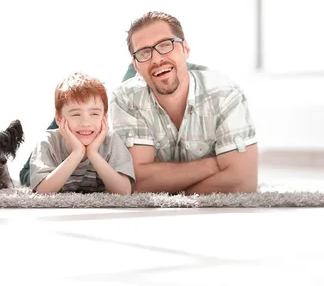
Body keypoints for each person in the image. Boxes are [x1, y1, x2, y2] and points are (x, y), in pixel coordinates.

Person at [111, 11, 258, 194]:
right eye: (144, 53)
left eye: (165, 45)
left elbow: (243, 182)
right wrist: (214, 165)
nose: (156, 59)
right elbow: (135, 181)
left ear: (185, 49)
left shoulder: (225, 94)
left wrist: (171, 189)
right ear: (136, 66)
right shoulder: (126, 99)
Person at [18, 61, 207, 187]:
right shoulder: (55, 138)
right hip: (54, 163)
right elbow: (39, 187)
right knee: (80, 114)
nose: (85, 121)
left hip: (104, 155)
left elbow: (124, 189)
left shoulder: (109, 139)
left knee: (89, 115)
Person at [29, 72, 135, 195]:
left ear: (105, 117)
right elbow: (42, 191)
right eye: (75, 114)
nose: (85, 123)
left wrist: (92, 153)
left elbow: (124, 191)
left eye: (94, 114)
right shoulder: (48, 142)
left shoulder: (111, 141)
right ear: (58, 118)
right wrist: (77, 153)